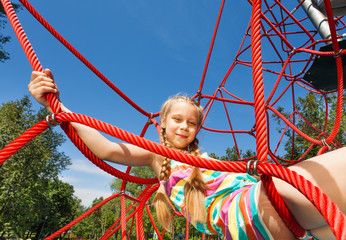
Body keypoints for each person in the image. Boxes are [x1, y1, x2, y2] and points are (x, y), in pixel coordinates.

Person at [29, 69, 346, 240]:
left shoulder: (207, 163)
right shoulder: (158, 156)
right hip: (246, 213)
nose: (184, 127)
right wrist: (57, 106)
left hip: (259, 216)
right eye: (177, 120)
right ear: (162, 123)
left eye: (192, 123)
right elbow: (107, 148)